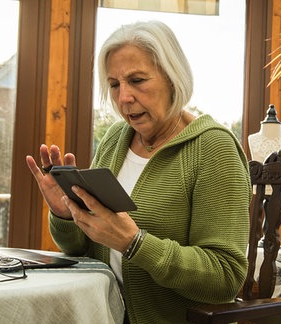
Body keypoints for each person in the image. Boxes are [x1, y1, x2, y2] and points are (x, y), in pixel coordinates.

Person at [26, 20, 251, 323]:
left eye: (137, 80)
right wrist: (67, 214)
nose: (123, 98)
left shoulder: (214, 148)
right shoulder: (115, 139)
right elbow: (82, 248)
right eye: (115, 85)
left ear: (173, 78)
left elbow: (225, 278)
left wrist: (135, 244)